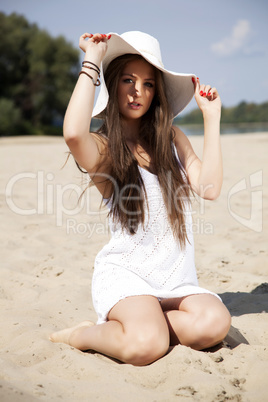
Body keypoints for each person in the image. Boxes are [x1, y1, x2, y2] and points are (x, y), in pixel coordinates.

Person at [50, 31, 231, 366]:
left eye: (148, 84)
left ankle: (148, 326)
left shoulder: (170, 138)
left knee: (215, 323)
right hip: (127, 275)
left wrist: (212, 117)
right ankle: (83, 334)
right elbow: (73, 133)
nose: (138, 92)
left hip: (174, 278)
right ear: (113, 84)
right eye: (128, 80)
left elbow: (210, 188)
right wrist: (92, 57)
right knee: (146, 347)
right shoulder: (104, 148)